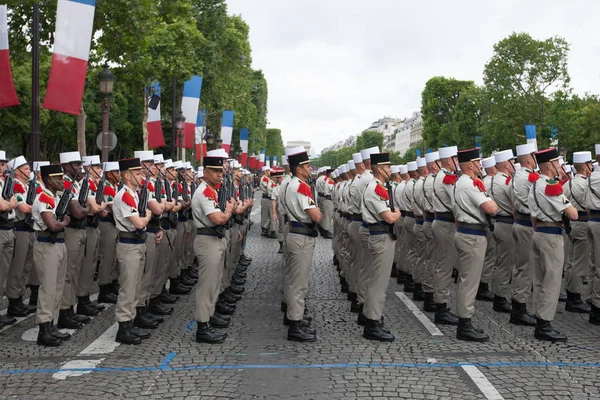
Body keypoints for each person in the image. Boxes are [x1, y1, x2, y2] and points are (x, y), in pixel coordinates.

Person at [529, 148, 578, 341]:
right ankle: (545, 324)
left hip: (539, 232)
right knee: (552, 280)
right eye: (557, 163)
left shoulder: (533, 184)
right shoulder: (551, 186)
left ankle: (538, 316)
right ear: (549, 165)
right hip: (551, 235)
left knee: (539, 279)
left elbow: (533, 217)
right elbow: (572, 214)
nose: (559, 166)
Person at [453, 148, 498, 342]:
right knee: (469, 282)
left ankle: (465, 321)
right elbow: (491, 208)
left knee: (467, 280)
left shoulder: (461, 182)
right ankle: (464, 324)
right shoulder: (469, 184)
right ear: (470, 165)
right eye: (478, 162)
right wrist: (492, 202)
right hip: (472, 236)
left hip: (467, 233)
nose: (481, 165)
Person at [192, 149, 235, 343]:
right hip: (207, 240)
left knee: (215, 282)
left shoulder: (212, 190)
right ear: (205, 172)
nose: (220, 174)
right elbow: (218, 218)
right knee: (207, 285)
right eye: (216, 171)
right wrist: (229, 210)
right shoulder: (204, 192)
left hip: (214, 239)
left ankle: (209, 316)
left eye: (221, 171)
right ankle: (202, 326)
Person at [31, 165, 73, 346]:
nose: (62, 181)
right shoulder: (44, 197)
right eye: (59, 178)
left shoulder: (55, 197)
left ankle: (52, 325)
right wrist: (65, 222)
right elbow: (53, 225)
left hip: (58, 244)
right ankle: (44, 329)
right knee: (48, 288)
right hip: (47, 245)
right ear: (49, 180)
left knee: (57, 287)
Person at [361, 152, 401, 342]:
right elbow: (389, 217)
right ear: (379, 168)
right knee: (379, 282)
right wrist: (397, 214)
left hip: (382, 235)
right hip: (381, 235)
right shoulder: (375, 189)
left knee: (377, 280)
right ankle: (372, 322)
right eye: (387, 166)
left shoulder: (379, 187)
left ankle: (371, 316)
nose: (390, 169)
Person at [283, 146, 322, 342]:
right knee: (299, 283)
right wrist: (319, 211)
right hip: (302, 237)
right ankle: (295, 325)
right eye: (307, 166)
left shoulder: (290, 184)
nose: (310, 169)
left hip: (295, 233)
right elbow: (315, 215)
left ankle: (292, 316)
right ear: (299, 169)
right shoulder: (301, 186)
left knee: (293, 280)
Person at [113, 157, 153, 345]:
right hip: (129, 244)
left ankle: (130, 322)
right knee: (128, 287)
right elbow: (138, 222)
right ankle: (123, 326)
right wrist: (149, 217)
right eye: (137, 173)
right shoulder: (125, 195)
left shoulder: (135, 194)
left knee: (136, 285)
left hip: (137, 244)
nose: (141, 175)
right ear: (127, 176)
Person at [57, 151, 93, 330]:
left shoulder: (75, 184)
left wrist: (84, 207)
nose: (80, 167)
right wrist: (86, 208)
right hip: (71, 231)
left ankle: (70, 308)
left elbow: (83, 206)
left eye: (80, 164)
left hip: (79, 230)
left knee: (75, 271)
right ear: (66, 166)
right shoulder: (65, 182)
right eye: (76, 164)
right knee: (68, 273)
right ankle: (64, 311)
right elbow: (79, 211)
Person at [508, 143, 538, 326]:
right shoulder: (527, 178)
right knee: (526, 267)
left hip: (520, 221)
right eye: (534, 157)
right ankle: (519, 309)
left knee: (521, 266)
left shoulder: (516, 176)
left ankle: (518, 305)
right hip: (527, 224)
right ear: (528, 159)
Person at [5, 156, 37, 317]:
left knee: (26, 267)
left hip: (30, 229)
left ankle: (19, 297)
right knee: (17, 268)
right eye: (25, 169)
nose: (29, 171)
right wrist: (39, 209)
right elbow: (24, 208)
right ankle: (13, 300)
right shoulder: (16, 186)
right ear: (17, 172)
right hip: (21, 228)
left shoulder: (27, 186)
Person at [431, 146, 459, 325]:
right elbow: (457, 202)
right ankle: (441, 308)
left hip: (442, 222)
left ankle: (441, 305)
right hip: (446, 224)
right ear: (449, 160)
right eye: (456, 158)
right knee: (445, 267)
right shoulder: (447, 178)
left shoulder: (440, 176)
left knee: (443, 265)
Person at [77, 155, 108, 317]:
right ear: (88, 169)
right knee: (87, 264)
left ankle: (85, 297)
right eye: (96, 167)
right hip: (87, 226)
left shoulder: (94, 184)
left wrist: (99, 206)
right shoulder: (86, 183)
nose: (100, 170)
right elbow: (96, 207)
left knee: (92, 263)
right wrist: (101, 206)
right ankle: (81, 299)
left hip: (93, 226)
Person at [562, 151, 593, 313]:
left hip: (572, 224)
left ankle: (570, 292)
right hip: (582, 223)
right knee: (580, 264)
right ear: (586, 166)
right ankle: (574, 297)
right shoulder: (585, 184)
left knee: (571, 261)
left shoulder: (567, 184)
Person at [488, 150, 516, 313]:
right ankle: (500, 297)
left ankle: (498, 294)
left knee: (500, 262)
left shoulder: (493, 180)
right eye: (512, 161)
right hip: (506, 223)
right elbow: (516, 204)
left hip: (498, 223)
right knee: (505, 263)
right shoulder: (505, 182)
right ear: (507, 163)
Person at [0, 150, 19, 328]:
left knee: (3, 273)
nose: (2, 167)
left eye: (3, 164)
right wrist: (11, 204)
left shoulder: (4, 182)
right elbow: (5, 204)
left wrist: (10, 203)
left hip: (8, 227)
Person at [97, 161, 120, 304]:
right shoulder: (106, 188)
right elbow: (114, 207)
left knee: (114, 257)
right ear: (108, 174)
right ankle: (104, 288)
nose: (119, 174)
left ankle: (112, 283)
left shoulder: (115, 186)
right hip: (107, 225)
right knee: (107, 257)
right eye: (116, 172)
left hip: (114, 224)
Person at [420, 152, 439, 312]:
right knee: (434, 260)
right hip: (435, 220)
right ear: (434, 165)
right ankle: (430, 296)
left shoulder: (428, 181)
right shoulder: (433, 182)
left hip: (429, 220)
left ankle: (430, 294)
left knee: (431, 258)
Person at [584, 144, 600, 325]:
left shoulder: (591, 177)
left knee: (594, 264)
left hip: (591, 220)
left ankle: (591, 299)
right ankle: (597, 308)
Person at [478, 156, 497, 302]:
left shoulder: (483, 182)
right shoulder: (498, 181)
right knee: (490, 256)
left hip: (486, 222)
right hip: (492, 219)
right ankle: (483, 285)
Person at [411, 157, 428, 302]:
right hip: (423, 222)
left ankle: (418, 285)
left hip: (418, 221)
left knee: (419, 255)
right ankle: (420, 286)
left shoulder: (417, 184)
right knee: (425, 257)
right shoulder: (423, 185)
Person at [402, 161, 419, 293]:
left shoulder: (406, 185)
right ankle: (412, 279)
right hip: (414, 218)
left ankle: (408, 276)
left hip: (407, 216)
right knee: (416, 251)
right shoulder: (413, 185)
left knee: (409, 249)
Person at [260, 166, 275, 237]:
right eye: (268, 171)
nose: (270, 172)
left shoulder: (268, 179)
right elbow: (268, 188)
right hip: (267, 197)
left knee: (269, 215)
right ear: (265, 171)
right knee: (265, 215)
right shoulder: (265, 178)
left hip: (268, 198)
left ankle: (266, 228)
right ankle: (264, 229)